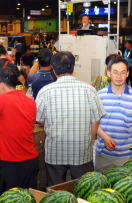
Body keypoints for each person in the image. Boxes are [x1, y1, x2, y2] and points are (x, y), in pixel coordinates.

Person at [36, 51, 106, 186]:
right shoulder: (89, 90)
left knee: (56, 193)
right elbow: (96, 120)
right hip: (82, 151)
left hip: (55, 151)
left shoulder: (45, 91)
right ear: (74, 68)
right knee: (82, 190)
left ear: (53, 69)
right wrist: (90, 139)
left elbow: (40, 121)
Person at [0, 67, 38, 196]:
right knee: (28, 201)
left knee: (5, 202)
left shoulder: (2, 99)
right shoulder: (31, 101)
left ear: (2, 86)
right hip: (31, 161)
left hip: (12, 163)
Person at [94, 56, 132, 172]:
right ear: (108, 73)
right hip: (103, 155)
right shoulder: (99, 95)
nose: (119, 76)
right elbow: (94, 122)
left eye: (123, 73)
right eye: (115, 72)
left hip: (126, 156)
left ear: (128, 73)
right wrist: (105, 137)